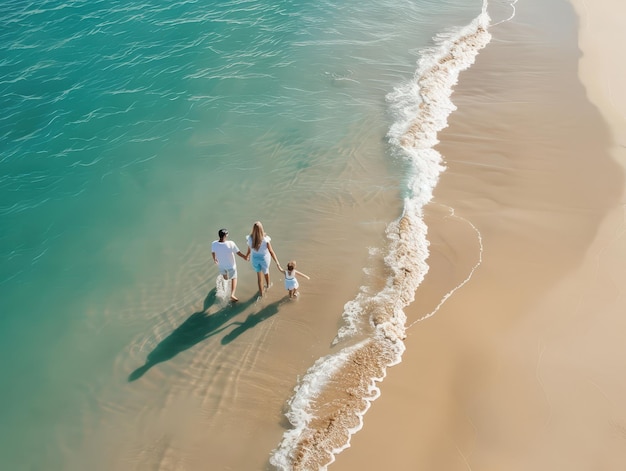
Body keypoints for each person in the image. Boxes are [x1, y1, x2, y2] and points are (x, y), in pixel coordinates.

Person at [245, 221, 281, 298]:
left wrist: (246, 256)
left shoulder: (250, 239)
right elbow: (271, 252)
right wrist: (277, 262)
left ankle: (261, 294)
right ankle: (268, 286)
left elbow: (249, 250)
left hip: (255, 260)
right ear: (261, 229)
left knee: (259, 278)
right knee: (266, 273)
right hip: (264, 260)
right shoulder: (265, 240)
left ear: (253, 229)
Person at [211, 228, 247, 302]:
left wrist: (214, 259)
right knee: (234, 278)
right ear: (225, 235)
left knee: (225, 277)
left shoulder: (214, 243)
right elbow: (238, 253)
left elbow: (213, 252)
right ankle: (232, 294)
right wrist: (245, 257)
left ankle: (225, 288)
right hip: (231, 265)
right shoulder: (230, 243)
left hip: (221, 265)